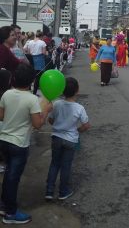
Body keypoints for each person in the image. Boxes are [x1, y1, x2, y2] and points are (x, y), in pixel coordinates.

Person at [0, 63, 52, 224]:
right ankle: (11, 213)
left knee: (9, 174)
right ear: (31, 81)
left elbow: (1, 117)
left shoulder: (6, 94)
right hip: (19, 144)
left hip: (3, 140)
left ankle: (4, 204)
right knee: (12, 178)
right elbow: (37, 124)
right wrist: (46, 111)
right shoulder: (32, 99)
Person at [45, 77, 90, 201]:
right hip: (70, 140)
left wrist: (57, 123)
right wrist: (77, 130)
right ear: (77, 91)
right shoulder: (79, 108)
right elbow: (86, 125)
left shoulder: (57, 103)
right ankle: (63, 191)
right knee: (66, 166)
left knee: (54, 164)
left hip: (57, 138)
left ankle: (49, 191)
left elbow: (50, 119)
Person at [27, 31, 46, 95]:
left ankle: (28, 90)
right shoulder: (42, 42)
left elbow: (29, 52)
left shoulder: (30, 42)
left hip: (31, 59)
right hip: (39, 60)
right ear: (41, 36)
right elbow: (44, 53)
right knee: (38, 77)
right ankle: (34, 93)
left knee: (31, 75)